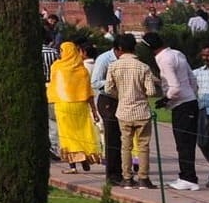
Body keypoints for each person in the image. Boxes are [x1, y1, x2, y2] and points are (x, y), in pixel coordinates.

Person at [103, 34, 163, 188]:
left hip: (123, 111)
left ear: (120, 49)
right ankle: (143, 178)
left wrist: (122, 95)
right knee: (143, 146)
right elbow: (150, 92)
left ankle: (127, 178)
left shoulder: (114, 66)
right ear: (134, 48)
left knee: (125, 146)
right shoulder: (143, 67)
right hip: (141, 111)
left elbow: (108, 89)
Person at [150, 32, 203, 190]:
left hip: (181, 104)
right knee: (187, 143)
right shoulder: (177, 53)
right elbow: (192, 79)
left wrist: (165, 99)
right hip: (190, 101)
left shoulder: (164, 59)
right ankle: (188, 176)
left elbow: (175, 88)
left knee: (183, 143)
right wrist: (191, 95)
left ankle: (188, 178)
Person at [46, 40, 101, 173]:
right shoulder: (81, 70)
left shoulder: (57, 67)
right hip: (80, 105)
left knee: (67, 135)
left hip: (63, 105)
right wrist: (94, 111)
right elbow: (89, 93)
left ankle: (73, 166)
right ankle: (84, 157)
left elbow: (54, 86)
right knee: (82, 132)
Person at [91, 38, 125, 185]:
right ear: (118, 49)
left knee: (124, 138)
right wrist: (114, 83)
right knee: (112, 138)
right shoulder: (104, 59)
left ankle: (123, 172)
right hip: (108, 100)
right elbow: (95, 82)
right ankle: (113, 175)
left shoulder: (128, 60)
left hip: (123, 99)